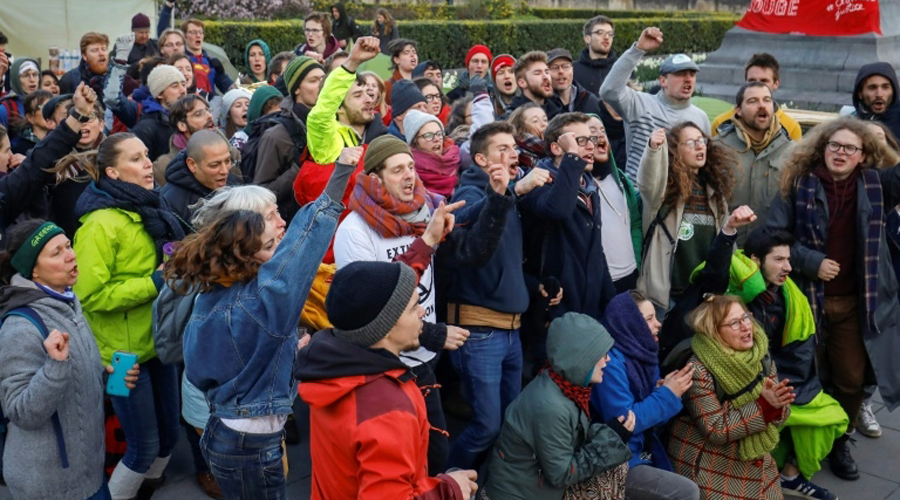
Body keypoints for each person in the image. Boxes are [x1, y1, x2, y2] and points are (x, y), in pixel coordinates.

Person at [172, 147, 355, 499]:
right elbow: (306, 244)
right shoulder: (267, 298)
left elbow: (200, 369)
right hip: (249, 443)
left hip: (223, 427)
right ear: (244, 242)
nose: (282, 224)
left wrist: (278, 351)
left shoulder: (215, 292)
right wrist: (340, 174)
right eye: (270, 224)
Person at [767, 117, 900, 479]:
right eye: (835, 145)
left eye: (851, 148)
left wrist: (880, 140)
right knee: (805, 375)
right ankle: (797, 444)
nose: (841, 153)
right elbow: (772, 234)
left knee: (851, 380)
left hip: (856, 303)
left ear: (863, 155)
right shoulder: (798, 183)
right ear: (822, 147)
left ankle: (840, 439)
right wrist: (811, 262)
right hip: (806, 299)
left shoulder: (876, 184)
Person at [295, 260, 478, 499]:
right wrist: (449, 489)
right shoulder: (385, 409)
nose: (423, 312)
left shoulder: (334, 372)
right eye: (413, 308)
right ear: (386, 326)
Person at [72, 132, 186, 500]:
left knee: (169, 436)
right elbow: (89, 295)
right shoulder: (98, 225)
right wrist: (154, 282)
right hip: (120, 358)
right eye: (135, 159)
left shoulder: (150, 206)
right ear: (113, 173)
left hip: (159, 342)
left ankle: (143, 490)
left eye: (146, 156)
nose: (148, 164)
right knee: (142, 446)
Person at [0, 220, 139, 500]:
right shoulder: (19, 327)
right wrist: (55, 366)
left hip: (87, 470)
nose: (71, 255)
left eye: (69, 246)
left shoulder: (68, 302)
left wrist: (107, 376)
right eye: (56, 252)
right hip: (49, 486)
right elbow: (20, 412)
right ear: (33, 270)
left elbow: (72, 377)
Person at [444, 122, 551, 471]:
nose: (512, 153)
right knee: (485, 426)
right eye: (501, 149)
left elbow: (506, 262)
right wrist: (512, 191)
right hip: (480, 332)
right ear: (479, 159)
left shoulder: (508, 197)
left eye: (513, 147)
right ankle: (446, 484)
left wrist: (534, 283)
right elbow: (458, 220)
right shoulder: (472, 190)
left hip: (511, 331)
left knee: (509, 424)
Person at [720, 228, 848, 499]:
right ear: (754, 261)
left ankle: (789, 475)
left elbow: (798, 354)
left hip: (784, 377)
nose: (788, 267)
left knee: (830, 418)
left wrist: (786, 388)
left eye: (788, 259)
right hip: (740, 385)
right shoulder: (732, 295)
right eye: (778, 260)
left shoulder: (788, 295)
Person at [482, 312, 633, 500]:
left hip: (531, 488)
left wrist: (612, 434)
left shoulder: (564, 385)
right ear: (579, 358)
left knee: (617, 469)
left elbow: (571, 441)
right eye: (600, 354)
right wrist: (612, 438)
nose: (607, 359)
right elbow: (562, 475)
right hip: (518, 495)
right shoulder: (551, 406)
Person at [667, 295, 794, 500]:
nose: (745, 327)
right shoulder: (699, 370)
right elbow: (715, 430)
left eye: (746, 317)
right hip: (710, 464)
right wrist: (763, 407)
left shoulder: (760, 355)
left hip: (755, 461)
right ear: (714, 332)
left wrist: (777, 406)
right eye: (734, 323)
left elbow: (779, 413)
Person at [591, 291, 701, 500]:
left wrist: (666, 392)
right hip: (619, 459)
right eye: (649, 319)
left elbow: (657, 416)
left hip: (643, 451)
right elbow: (625, 420)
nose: (658, 324)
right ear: (631, 324)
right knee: (687, 492)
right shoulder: (610, 362)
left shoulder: (643, 354)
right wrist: (667, 394)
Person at [521, 112, 616, 321]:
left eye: (591, 139)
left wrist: (611, 303)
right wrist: (572, 156)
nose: (591, 146)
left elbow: (596, 252)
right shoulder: (537, 182)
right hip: (553, 312)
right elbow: (558, 209)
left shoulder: (588, 186)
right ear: (556, 148)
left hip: (588, 309)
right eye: (579, 141)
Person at [638, 122, 736, 310]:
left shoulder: (715, 195)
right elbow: (647, 182)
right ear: (675, 151)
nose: (700, 146)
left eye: (701, 141)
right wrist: (652, 150)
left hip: (704, 297)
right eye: (691, 143)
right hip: (667, 298)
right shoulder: (663, 192)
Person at [600, 27, 711, 179]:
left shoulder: (701, 118)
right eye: (680, 74)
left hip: (683, 199)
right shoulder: (640, 104)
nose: (688, 79)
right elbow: (609, 90)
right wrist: (637, 50)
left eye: (692, 74)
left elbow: (705, 164)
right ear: (662, 81)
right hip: (640, 197)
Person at [715, 81, 795, 245]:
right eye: (753, 101)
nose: (762, 106)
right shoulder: (717, 147)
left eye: (767, 100)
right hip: (727, 247)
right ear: (738, 110)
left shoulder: (793, 152)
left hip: (771, 253)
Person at [254, 56, 325, 220]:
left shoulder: (336, 123)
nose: (321, 86)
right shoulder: (276, 135)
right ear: (296, 89)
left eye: (323, 80)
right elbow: (261, 194)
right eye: (314, 81)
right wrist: (299, 170)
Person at [306, 36, 388, 166]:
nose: (369, 99)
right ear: (338, 107)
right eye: (357, 95)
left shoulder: (383, 136)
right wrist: (352, 62)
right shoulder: (329, 140)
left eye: (367, 93)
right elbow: (320, 116)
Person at [587, 114, 642, 293]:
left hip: (631, 278)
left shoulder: (621, 180)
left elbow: (634, 223)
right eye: (592, 132)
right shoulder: (577, 185)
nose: (600, 136)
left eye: (602, 130)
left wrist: (638, 263)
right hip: (599, 283)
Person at [710, 53, 802, 141]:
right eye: (752, 80)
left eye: (764, 80)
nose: (757, 85)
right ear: (745, 82)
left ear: (776, 83)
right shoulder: (721, 124)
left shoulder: (791, 128)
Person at [160, 129, 241, 222]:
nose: (225, 170)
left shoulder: (233, 184)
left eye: (227, 161)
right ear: (192, 165)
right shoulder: (170, 203)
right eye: (215, 165)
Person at [152, 94, 216, 185]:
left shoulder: (229, 150)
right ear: (182, 126)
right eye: (198, 114)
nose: (209, 116)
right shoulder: (165, 166)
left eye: (208, 110)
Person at [132, 64, 187, 162]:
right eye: (175, 86)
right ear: (160, 94)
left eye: (183, 84)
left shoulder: (189, 119)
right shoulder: (146, 128)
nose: (183, 90)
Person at [404, 109, 459, 198]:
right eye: (428, 135)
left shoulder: (456, 158)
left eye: (439, 133)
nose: (436, 139)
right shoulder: (411, 173)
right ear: (415, 141)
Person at [182, 18, 234, 96]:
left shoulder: (210, 61)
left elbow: (230, 91)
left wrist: (222, 75)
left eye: (200, 32)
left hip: (210, 105)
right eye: (193, 32)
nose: (198, 35)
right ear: (184, 36)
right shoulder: (181, 61)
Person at [850, 61, 900, 141]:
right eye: (872, 88)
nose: (879, 94)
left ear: (893, 91)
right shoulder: (851, 123)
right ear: (860, 93)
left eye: (885, 87)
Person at [504, 51, 560, 120]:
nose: (545, 77)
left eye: (547, 72)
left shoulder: (558, 113)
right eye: (537, 73)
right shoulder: (511, 120)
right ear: (522, 83)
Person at [574, 15, 619, 95]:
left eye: (610, 34)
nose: (606, 37)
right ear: (587, 39)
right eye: (600, 32)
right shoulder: (573, 71)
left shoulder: (622, 68)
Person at [548, 48, 601, 115]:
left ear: (572, 69)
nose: (561, 71)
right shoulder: (543, 104)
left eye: (565, 66)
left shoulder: (590, 101)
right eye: (555, 67)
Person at [0, 57, 41, 129]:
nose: (32, 80)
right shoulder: (6, 108)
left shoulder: (45, 103)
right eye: (25, 75)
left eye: (35, 74)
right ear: (16, 80)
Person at [11, 89, 52, 155]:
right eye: (44, 107)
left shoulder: (60, 140)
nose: (49, 111)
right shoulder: (20, 149)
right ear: (30, 118)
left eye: (52, 106)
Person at [508, 103, 548, 170]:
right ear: (520, 129)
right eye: (535, 121)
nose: (544, 124)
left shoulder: (557, 148)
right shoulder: (517, 156)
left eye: (545, 120)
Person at [384, 39, 419, 105]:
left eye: (414, 52)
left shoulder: (422, 84)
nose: (412, 55)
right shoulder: (387, 87)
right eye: (406, 53)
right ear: (396, 60)